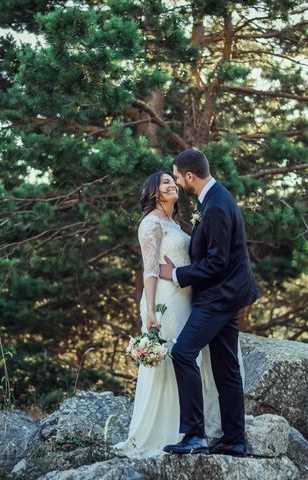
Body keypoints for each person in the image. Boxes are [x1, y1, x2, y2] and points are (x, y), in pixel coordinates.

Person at [113, 171, 222, 458]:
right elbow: (149, 270)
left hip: (186, 299)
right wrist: (149, 311)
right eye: (165, 182)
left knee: (187, 361)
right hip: (164, 303)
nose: (172, 184)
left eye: (172, 181)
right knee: (170, 361)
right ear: (154, 192)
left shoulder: (176, 223)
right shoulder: (151, 224)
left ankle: (189, 430)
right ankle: (165, 433)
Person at [159, 149, 259, 457]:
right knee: (227, 368)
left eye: (177, 176)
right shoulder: (216, 198)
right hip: (226, 293)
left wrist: (176, 273)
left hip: (219, 296)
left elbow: (217, 262)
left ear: (190, 176)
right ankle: (234, 440)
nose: (176, 181)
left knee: (183, 353)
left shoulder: (215, 206)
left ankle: (194, 435)